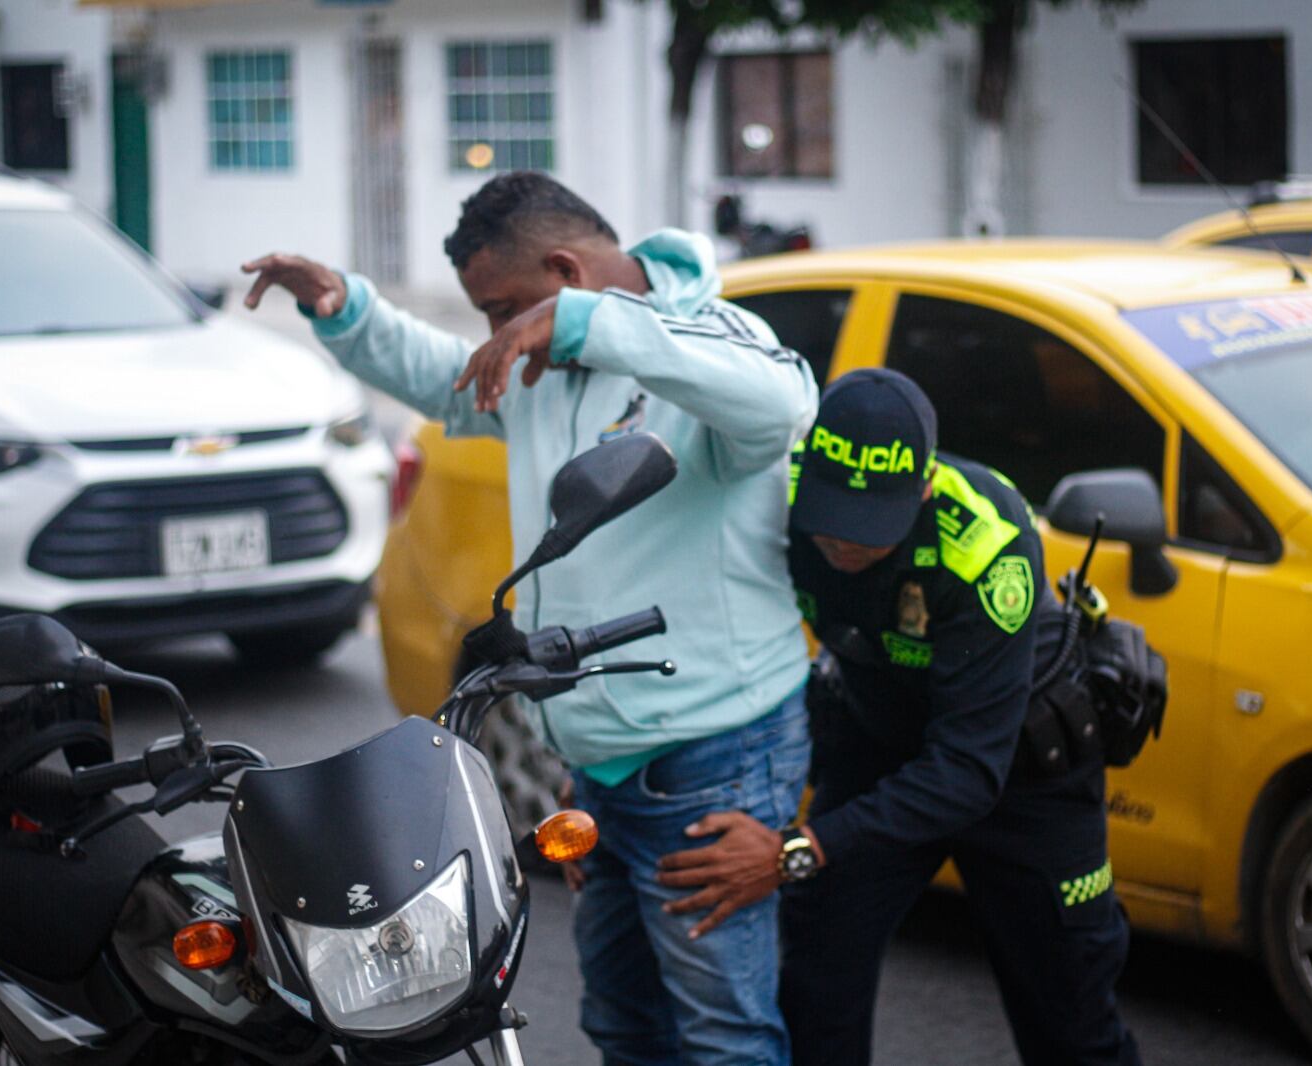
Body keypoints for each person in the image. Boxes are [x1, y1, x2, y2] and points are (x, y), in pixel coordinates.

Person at [241, 172, 817, 1065]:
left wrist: (584, 325)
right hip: (598, 764)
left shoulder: (705, 338)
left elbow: (781, 406)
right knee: (623, 1024)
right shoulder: (548, 372)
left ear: (566, 274)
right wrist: (345, 310)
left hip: (711, 756)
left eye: (505, 309)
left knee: (723, 1038)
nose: (499, 334)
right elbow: (454, 383)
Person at [655, 368, 1143, 1065]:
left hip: (1019, 768)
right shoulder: (770, 492)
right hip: (879, 742)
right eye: (831, 518)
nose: (843, 543)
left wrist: (793, 850)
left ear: (923, 488)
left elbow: (967, 772)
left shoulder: (987, 542)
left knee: (1071, 1018)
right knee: (817, 987)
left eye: (869, 527)